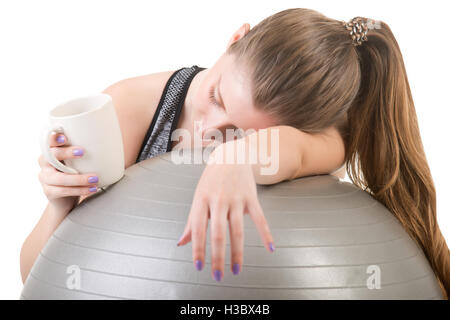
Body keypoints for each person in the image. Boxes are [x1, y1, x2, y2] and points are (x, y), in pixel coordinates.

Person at [21, 8, 448, 297]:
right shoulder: (129, 109)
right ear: (235, 39)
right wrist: (59, 206)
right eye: (217, 97)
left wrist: (237, 157)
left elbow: (294, 151)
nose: (209, 130)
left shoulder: (322, 142)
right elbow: (37, 280)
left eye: (242, 133)